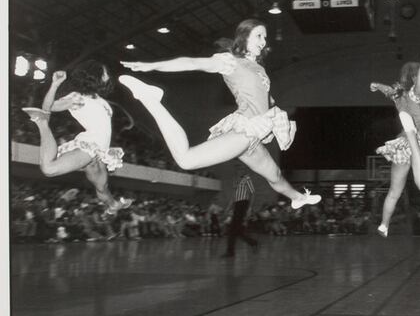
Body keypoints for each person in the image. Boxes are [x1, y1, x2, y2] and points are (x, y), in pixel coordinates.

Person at [119, 18, 320, 210]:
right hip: (246, 129)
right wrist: (152, 66)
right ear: (245, 36)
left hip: (254, 135)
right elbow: (191, 63)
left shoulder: (259, 68)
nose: (264, 41)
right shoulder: (230, 61)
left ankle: (298, 198)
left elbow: (262, 98)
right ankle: (150, 99)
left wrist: (275, 110)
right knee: (186, 160)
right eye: (259, 36)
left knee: (274, 174)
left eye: (265, 37)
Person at [22, 62, 131, 215]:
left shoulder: (101, 100)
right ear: (95, 75)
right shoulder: (78, 97)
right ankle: (42, 124)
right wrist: (55, 85)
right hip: (90, 144)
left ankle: (112, 205)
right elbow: (49, 107)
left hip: (100, 150)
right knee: (49, 169)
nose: (108, 76)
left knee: (102, 187)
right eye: (105, 73)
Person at [371, 51, 420, 237]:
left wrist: (377, 85)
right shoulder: (416, 95)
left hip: (400, 144)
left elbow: (390, 91)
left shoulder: (400, 96)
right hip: (419, 141)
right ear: (414, 76)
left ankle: (384, 224)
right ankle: (412, 134)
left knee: (395, 191)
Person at [221, 172, 259, 257]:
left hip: (243, 204)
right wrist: (228, 207)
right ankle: (253, 243)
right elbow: (234, 196)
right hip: (237, 205)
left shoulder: (247, 178)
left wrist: (249, 208)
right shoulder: (236, 181)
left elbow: (253, 193)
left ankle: (230, 252)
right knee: (236, 230)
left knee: (232, 229)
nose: (238, 169)